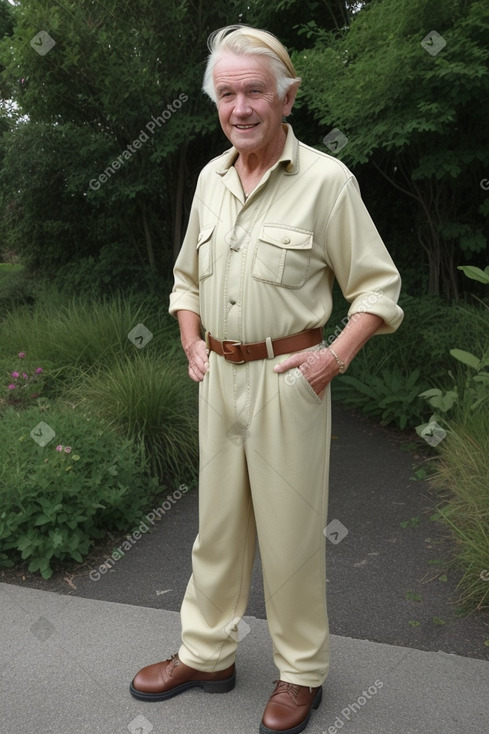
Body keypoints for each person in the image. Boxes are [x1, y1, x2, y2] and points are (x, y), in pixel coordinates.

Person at [130, 24, 404, 734]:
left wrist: (331, 358)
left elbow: (376, 289)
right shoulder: (209, 179)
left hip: (290, 382)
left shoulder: (325, 181)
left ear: (288, 96)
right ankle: (206, 654)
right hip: (217, 378)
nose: (240, 106)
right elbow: (185, 277)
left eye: (254, 90)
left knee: (288, 535)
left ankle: (300, 676)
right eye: (227, 93)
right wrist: (191, 341)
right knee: (214, 530)